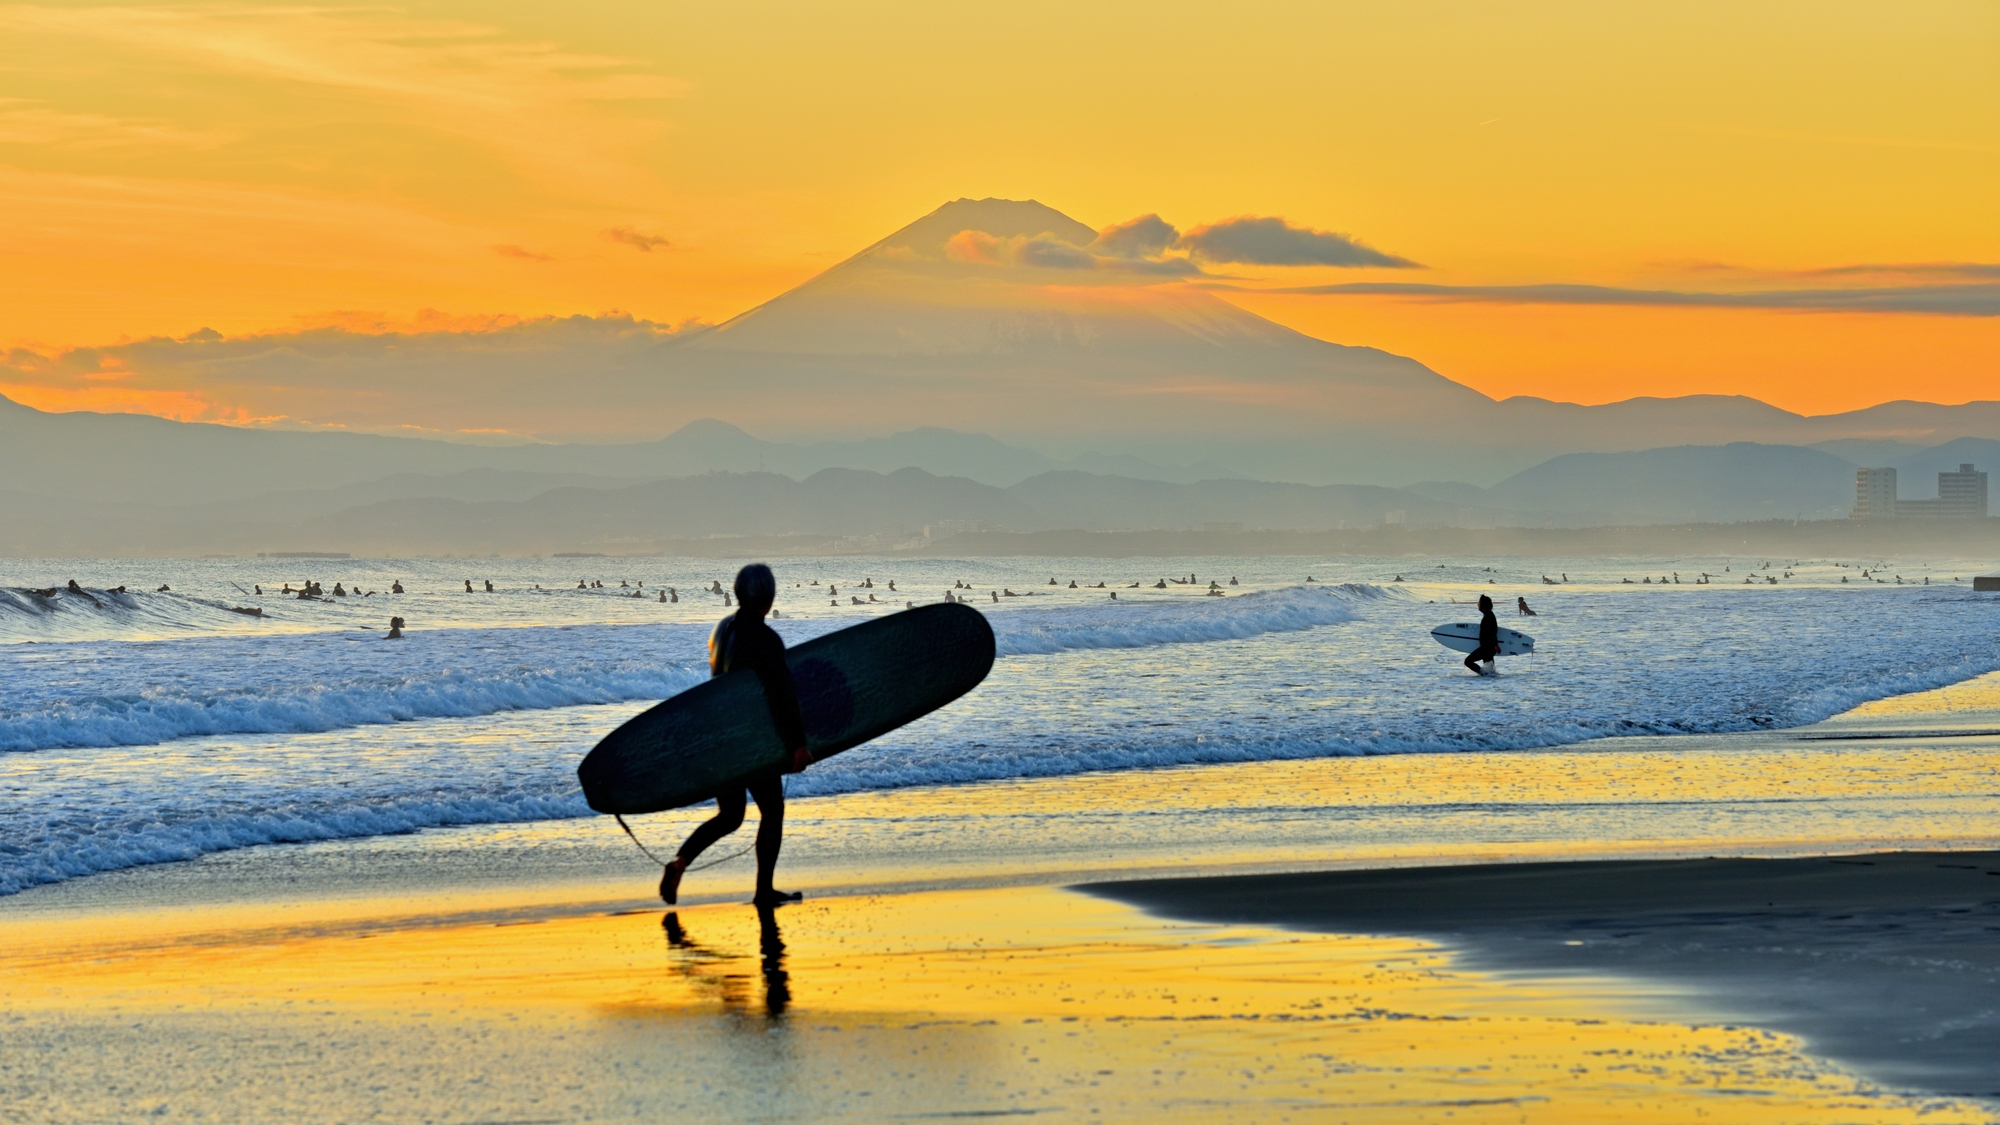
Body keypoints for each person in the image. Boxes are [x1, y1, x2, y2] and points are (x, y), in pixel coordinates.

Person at [659, 563, 813, 908]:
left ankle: (679, 863)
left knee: (730, 815)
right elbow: (782, 694)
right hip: (751, 741)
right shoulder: (765, 638)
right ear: (769, 596)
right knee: (772, 811)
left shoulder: (721, 630)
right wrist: (798, 745)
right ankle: (764, 892)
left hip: (718, 738)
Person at [1465, 594, 1499, 676]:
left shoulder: (1489, 616)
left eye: (1479, 603)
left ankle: (1482, 673)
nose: (1478, 604)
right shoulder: (1488, 615)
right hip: (1488, 647)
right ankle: (1486, 677)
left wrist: (1496, 645)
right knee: (1490, 670)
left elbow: (1492, 631)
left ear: (1484, 605)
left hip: (1487, 648)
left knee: (1468, 661)